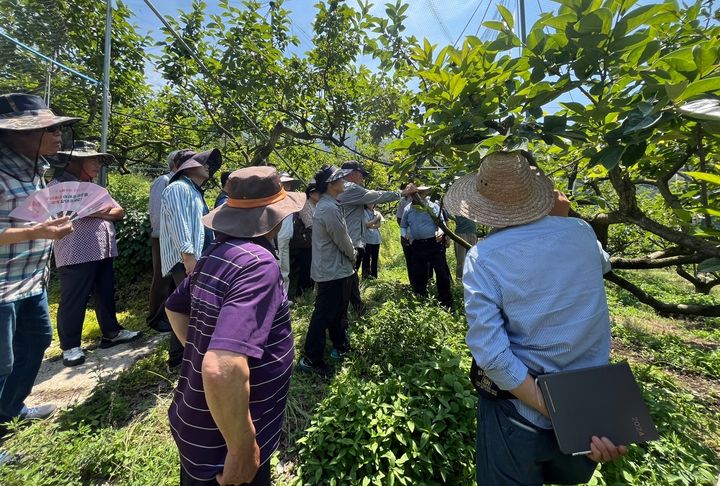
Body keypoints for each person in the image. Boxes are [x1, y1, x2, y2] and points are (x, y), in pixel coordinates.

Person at [444, 150, 627, 486]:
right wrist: (562, 218)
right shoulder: (582, 232)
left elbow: (493, 357)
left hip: (519, 409)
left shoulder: (483, 257)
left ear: (484, 204)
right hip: (590, 400)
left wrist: (561, 413)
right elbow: (603, 265)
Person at [165, 166, 304, 486]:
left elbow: (174, 307)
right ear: (275, 216)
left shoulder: (217, 253)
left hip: (198, 427)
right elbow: (221, 368)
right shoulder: (259, 265)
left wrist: (198, 351)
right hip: (224, 446)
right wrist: (242, 450)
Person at [0, 93, 76, 448]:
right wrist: (40, 231)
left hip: (32, 282)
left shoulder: (36, 172)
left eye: (57, 127)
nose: (57, 134)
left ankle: (11, 410)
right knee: (2, 363)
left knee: (36, 344)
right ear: (14, 134)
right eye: (46, 129)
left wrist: (47, 225)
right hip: (2, 288)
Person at [51, 141, 140, 367]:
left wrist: (94, 212)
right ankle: (70, 346)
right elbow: (71, 214)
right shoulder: (58, 187)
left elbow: (118, 211)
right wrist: (97, 211)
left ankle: (111, 333)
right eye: (93, 159)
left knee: (105, 293)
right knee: (74, 298)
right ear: (75, 160)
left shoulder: (96, 187)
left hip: (102, 248)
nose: (97, 164)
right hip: (75, 251)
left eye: (98, 160)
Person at [160, 148, 222, 369]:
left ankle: (178, 360)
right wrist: (189, 259)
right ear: (189, 166)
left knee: (187, 308)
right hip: (186, 260)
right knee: (193, 310)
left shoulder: (194, 190)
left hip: (196, 258)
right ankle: (188, 362)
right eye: (203, 162)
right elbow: (180, 226)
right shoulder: (178, 188)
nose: (208, 166)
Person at [337, 161, 416, 314]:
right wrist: (402, 192)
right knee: (343, 279)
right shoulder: (351, 188)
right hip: (348, 241)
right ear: (353, 174)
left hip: (344, 239)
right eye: (361, 175)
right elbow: (377, 195)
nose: (362, 179)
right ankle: (339, 317)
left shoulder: (339, 188)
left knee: (350, 275)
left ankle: (358, 309)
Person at [298, 165, 355, 375]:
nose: (344, 181)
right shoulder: (329, 208)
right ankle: (311, 358)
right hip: (332, 270)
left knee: (337, 310)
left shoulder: (330, 204)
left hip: (335, 269)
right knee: (323, 313)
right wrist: (353, 255)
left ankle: (340, 347)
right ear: (331, 185)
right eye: (340, 179)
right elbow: (342, 239)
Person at [400, 186, 453, 309]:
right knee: (419, 273)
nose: (418, 194)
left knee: (441, 273)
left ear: (426, 192)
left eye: (421, 192)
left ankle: (446, 301)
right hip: (417, 245)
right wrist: (403, 236)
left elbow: (442, 224)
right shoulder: (408, 209)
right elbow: (403, 225)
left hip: (434, 244)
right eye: (416, 192)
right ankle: (420, 300)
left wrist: (440, 231)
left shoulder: (433, 207)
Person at [147, 150, 181, 334]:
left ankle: (169, 316)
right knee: (162, 277)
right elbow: (156, 212)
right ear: (175, 163)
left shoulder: (181, 183)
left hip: (176, 238)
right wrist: (162, 236)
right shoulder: (164, 181)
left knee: (174, 278)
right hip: (163, 237)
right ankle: (155, 318)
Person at [289, 181, 319, 298]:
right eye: (316, 192)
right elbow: (309, 224)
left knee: (312, 265)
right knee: (306, 266)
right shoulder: (305, 205)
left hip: (315, 240)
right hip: (306, 241)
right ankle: (301, 292)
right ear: (310, 194)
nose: (319, 194)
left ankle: (309, 290)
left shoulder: (317, 205)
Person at [277, 172, 300, 297]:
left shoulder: (290, 201)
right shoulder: (274, 201)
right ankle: (277, 298)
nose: (288, 186)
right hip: (278, 240)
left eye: (289, 183)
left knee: (285, 270)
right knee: (278, 268)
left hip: (286, 240)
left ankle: (283, 297)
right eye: (285, 183)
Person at [452, 215, 477, 281]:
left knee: (473, 259)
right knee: (461, 259)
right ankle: (459, 281)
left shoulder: (474, 205)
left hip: (472, 232)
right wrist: (455, 219)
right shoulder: (457, 205)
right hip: (461, 233)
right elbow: (446, 211)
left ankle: (472, 281)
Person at [361, 204, 383, 279]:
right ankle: (365, 276)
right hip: (366, 239)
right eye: (369, 202)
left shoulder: (377, 212)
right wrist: (375, 220)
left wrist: (371, 224)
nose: (371, 203)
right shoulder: (363, 212)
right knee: (366, 258)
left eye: (373, 202)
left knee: (375, 258)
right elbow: (366, 225)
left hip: (376, 239)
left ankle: (374, 276)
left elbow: (379, 225)